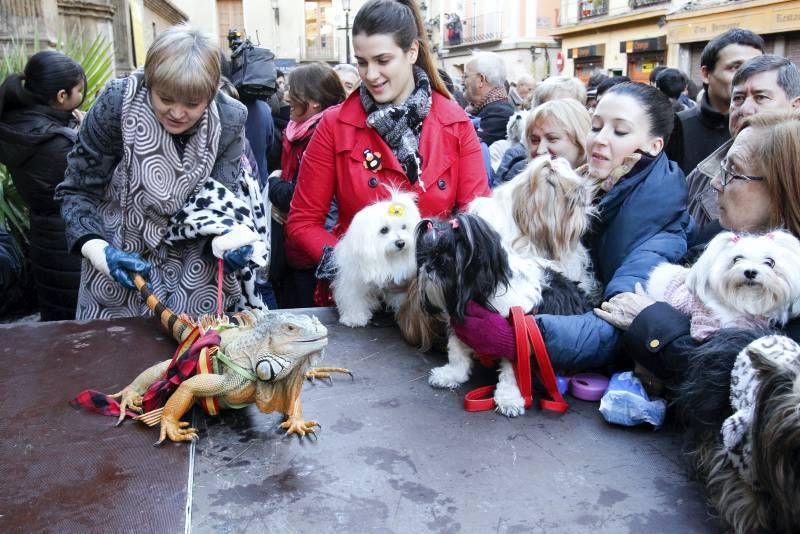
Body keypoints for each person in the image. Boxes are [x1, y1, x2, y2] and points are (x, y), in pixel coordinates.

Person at [452, 82, 690, 371]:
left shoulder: (658, 214)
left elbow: (616, 319)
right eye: (596, 126)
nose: (600, 139)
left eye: (620, 131)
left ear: (655, 145)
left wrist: (524, 335)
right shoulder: (585, 184)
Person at [284, 0, 489, 305]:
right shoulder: (334, 124)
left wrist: (431, 266)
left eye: (382, 60)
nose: (371, 74)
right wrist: (352, 266)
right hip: (360, 298)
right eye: (362, 62)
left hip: (433, 300)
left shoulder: (456, 123)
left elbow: (477, 219)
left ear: (412, 52)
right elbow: (302, 222)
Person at [55, 26, 265, 319]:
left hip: (193, 276)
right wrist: (97, 250)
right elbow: (77, 189)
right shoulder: (117, 102)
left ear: (211, 91)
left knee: (194, 359)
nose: (177, 113)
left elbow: (218, 203)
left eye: (192, 104)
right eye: (165, 99)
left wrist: (223, 245)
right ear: (150, 83)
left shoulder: (229, 118)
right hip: (119, 263)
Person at [598, 110, 800, 388]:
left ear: (783, 185)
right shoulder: (715, 239)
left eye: (733, 172)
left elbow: (730, 382)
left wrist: (649, 320)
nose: (716, 182)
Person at [0, 50, 86, 321]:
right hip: (71, 245)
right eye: (79, 90)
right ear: (62, 97)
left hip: (44, 240)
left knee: (58, 324)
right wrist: (82, 135)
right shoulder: (57, 144)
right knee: (81, 330)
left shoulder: (17, 127)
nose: (81, 95)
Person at [687, 55, 800, 229]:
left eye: (760, 97)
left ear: (795, 106)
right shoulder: (702, 175)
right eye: (738, 98)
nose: (745, 109)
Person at [268, 62, 346, 308]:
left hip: (317, 251)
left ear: (314, 101)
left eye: (294, 91)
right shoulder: (296, 131)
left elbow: (297, 194)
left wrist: (273, 183)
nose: (287, 95)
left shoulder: (321, 135)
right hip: (295, 248)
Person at [666, 28, 763, 175]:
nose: (749, 77)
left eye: (757, 68)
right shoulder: (676, 127)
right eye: (736, 68)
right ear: (706, 74)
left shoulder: (772, 129)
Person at [495, 98, 590, 184]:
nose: (540, 150)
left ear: (579, 141)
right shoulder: (518, 175)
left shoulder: (599, 192)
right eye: (535, 140)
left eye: (552, 139)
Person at [462, 51, 515, 146]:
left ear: (481, 79)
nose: (462, 81)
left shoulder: (499, 114)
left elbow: (467, 147)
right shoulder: (489, 108)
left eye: (465, 76)